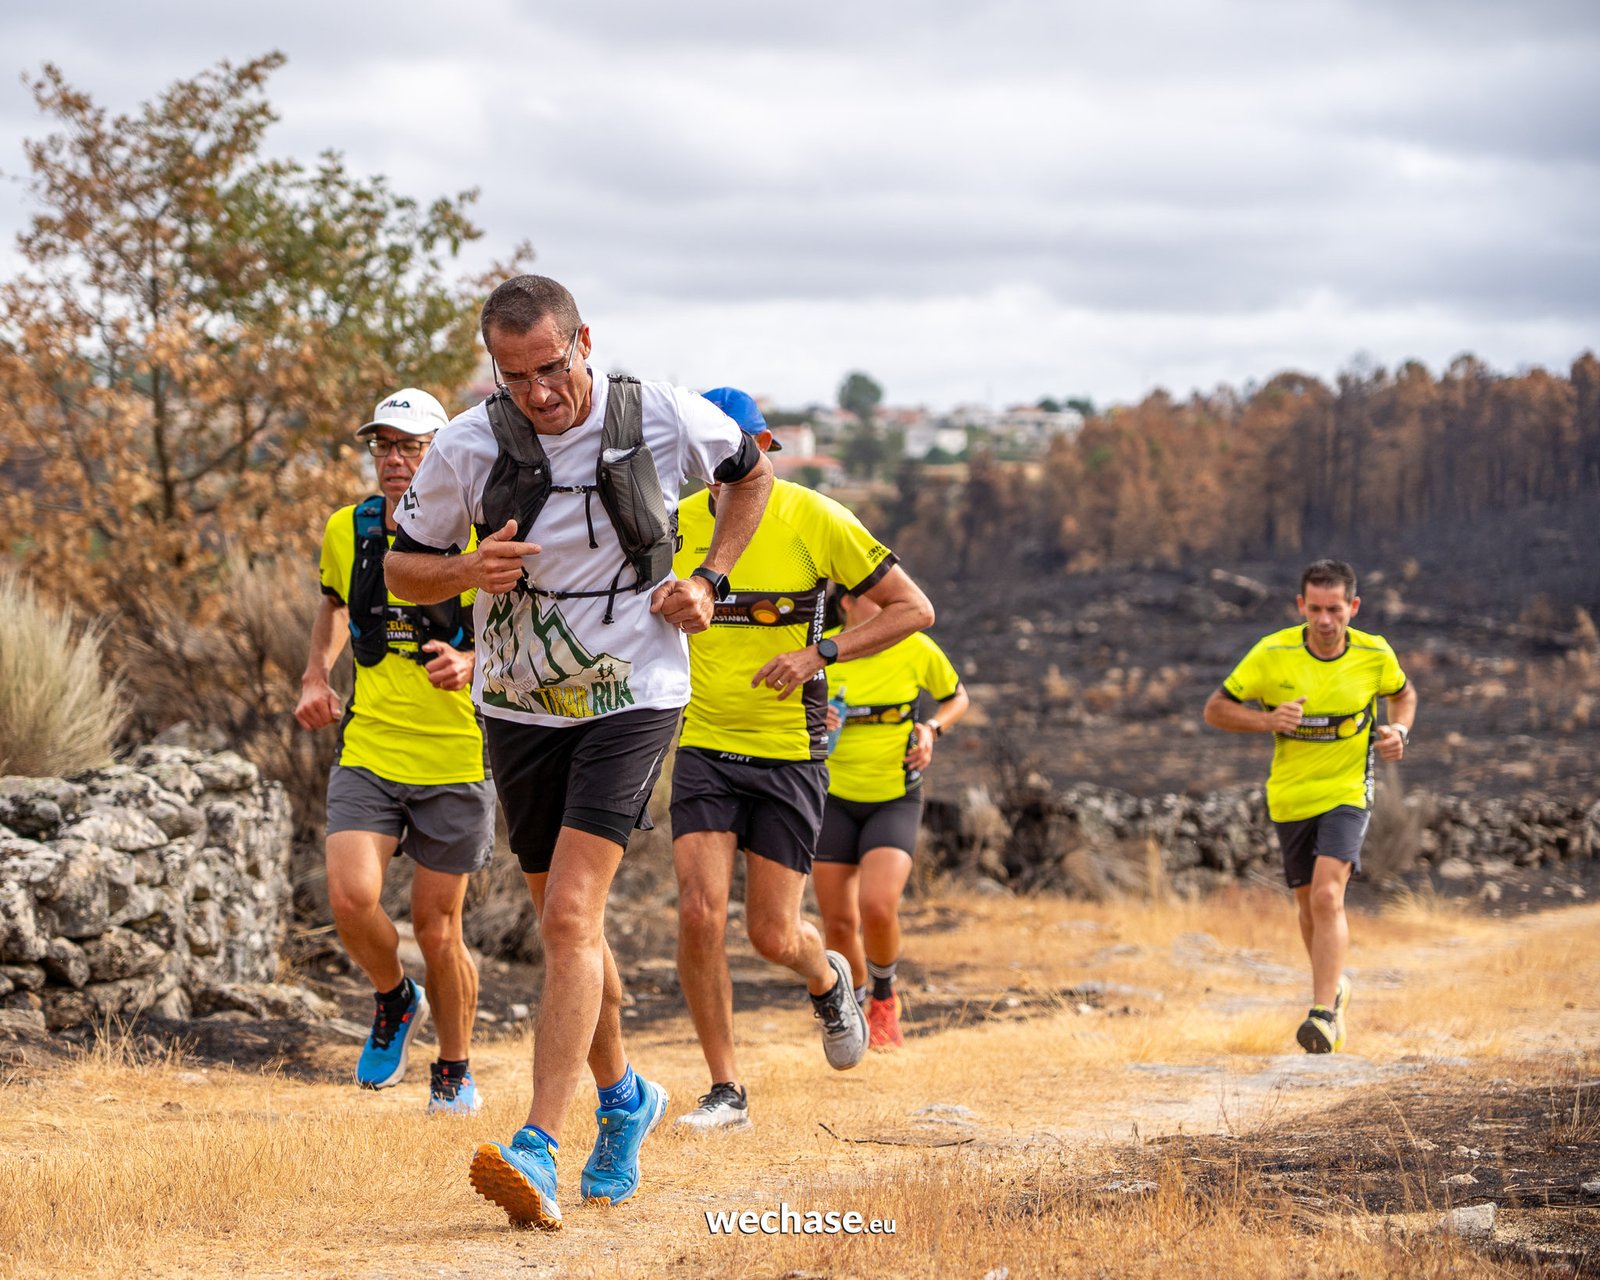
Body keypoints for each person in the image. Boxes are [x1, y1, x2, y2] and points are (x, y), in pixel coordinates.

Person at [383, 277, 772, 1230]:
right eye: (515, 377)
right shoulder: (472, 444)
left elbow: (752, 474)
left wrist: (709, 580)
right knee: (571, 934)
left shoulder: (661, 415)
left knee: (569, 915)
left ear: (584, 342)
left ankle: (537, 1144)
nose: (539, 393)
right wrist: (466, 570)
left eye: (551, 368)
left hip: (633, 692)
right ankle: (627, 1097)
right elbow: (399, 564)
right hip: (518, 701)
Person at [671, 386, 935, 1135]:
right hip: (703, 742)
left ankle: (828, 979)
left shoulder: (817, 518)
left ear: (764, 449)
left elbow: (914, 609)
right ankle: (726, 1090)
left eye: (738, 452)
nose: (723, 468)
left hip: (790, 751)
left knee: (771, 935)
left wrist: (818, 652)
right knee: (697, 916)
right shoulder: (675, 524)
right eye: (710, 456)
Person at [293, 387, 494, 1115]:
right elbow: (336, 605)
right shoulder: (350, 528)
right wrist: (316, 674)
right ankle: (393, 997)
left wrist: (474, 665)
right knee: (351, 898)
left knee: (441, 929)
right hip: (371, 747)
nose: (394, 459)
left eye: (410, 445)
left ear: (442, 451)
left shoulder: (480, 528)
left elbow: (522, 627)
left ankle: (454, 1069)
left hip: (457, 757)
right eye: (383, 445)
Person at [1202, 558, 1417, 1054]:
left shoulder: (1373, 652)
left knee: (1326, 897)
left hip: (1347, 791)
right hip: (1290, 794)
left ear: (1353, 607)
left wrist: (1399, 731)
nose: (1325, 620)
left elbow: (1404, 697)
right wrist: (1268, 720)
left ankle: (1321, 1013)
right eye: (1315, 609)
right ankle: (1335, 987)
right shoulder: (1270, 653)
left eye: (1335, 609)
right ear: (1301, 605)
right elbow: (1215, 709)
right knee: (1306, 907)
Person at [813, 585, 969, 1050]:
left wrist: (931, 728)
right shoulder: (823, 649)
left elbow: (957, 697)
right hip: (832, 796)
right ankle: (854, 1007)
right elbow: (784, 702)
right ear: (846, 603)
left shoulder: (914, 646)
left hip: (894, 796)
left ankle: (884, 998)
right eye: (875, 600)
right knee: (838, 923)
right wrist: (813, 715)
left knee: (878, 906)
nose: (886, 608)